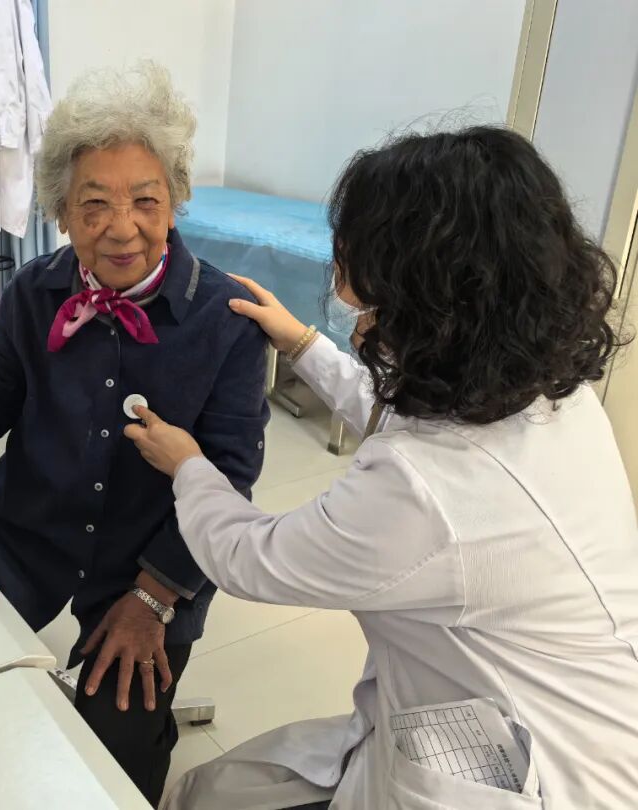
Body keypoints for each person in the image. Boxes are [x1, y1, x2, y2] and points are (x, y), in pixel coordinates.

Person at [125, 126, 638, 809]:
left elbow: (251, 557)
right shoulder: (549, 393)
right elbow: (410, 411)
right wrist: (303, 345)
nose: (351, 311)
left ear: (431, 304)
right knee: (212, 790)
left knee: (201, 799)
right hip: (515, 709)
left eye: (364, 299)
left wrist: (189, 466)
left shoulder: (422, 492)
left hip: (541, 774)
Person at [0, 62, 269, 806]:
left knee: (113, 765)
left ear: (176, 202)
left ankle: (142, 732)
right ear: (61, 211)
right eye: (94, 204)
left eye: (145, 200)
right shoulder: (34, 291)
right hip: (25, 538)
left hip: (149, 568)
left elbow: (229, 478)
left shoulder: (227, 321)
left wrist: (154, 598)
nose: (122, 228)